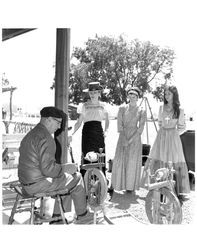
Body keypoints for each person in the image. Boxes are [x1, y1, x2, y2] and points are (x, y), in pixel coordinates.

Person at [18, 106, 94, 224]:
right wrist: (65, 168)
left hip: (25, 182)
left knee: (65, 179)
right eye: (57, 122)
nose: (59, 126)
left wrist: (63, 169)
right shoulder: (46, 138)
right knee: (77, 177)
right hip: (36, 185)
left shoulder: (31, 134)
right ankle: (83, 216)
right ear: (48, 119)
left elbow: (43, 166)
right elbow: (48, 170)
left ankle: (58, 217)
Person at [141, 85, 190, 203]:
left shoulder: (180, 110)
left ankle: (176, 190)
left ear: (174, 95)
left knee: (173, 161)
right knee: (160, 159)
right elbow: (160, 123)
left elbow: (182, 127)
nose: (166, 96)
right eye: (165, 94)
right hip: (161, 138)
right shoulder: (161, 108)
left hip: (173, 139)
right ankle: (159, 187)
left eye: (169, 94)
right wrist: (164, 133)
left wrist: (172, 133)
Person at [111, 87, 146, 194]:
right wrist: (124, 138)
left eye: (134, 96)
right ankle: (117, 184)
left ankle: (130, 186)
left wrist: (131, 140)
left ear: (138, 98)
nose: (132, 98)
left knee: (132, 161)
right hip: (123, 136)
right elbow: (119, 125)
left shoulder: (142, 110)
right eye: (130, 95)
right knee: (120, 160)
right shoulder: (122, 108)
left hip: (135, 138)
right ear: (128, 96)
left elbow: (141, 127)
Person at [72, 82, 109, 177]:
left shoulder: (103, 105)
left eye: (95, 92)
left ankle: (101, 181)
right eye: (91, 93)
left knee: (99, 155)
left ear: (99, 93)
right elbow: (79, 122)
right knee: (87, 155)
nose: (92, 95)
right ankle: (86, 181)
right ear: (88, 94)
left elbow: (107, 121)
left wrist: (106, 131)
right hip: (87, 133)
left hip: (98, 133)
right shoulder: (84, 106)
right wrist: (71, 133)